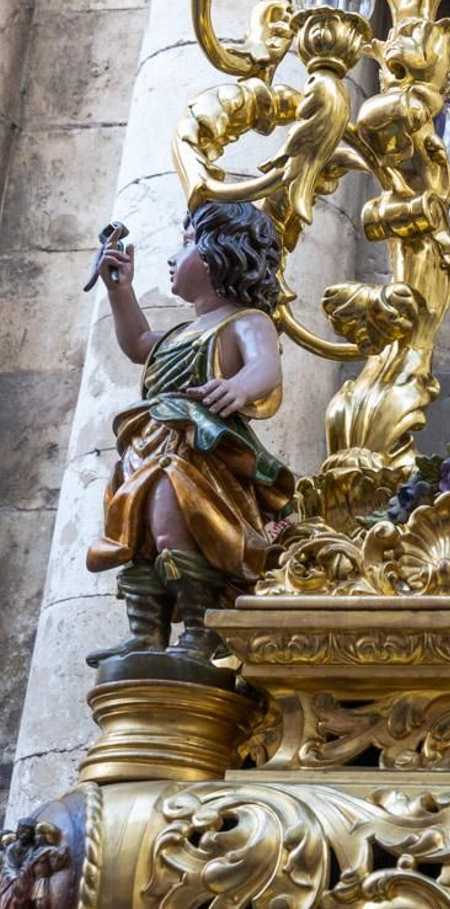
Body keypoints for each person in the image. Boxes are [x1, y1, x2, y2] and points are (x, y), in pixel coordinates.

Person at [83, 202, 295, 667]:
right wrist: (121, 292)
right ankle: (146, 632)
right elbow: (140, 344)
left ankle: (200, 631)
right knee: (134, 531)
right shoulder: (180, 332)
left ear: (225, 251)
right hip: (148, 444)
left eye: (186, 241)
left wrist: (237, 386)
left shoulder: (245, 320)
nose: (174, 255)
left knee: (176, 525)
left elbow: (265, 366)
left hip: (199, 451)